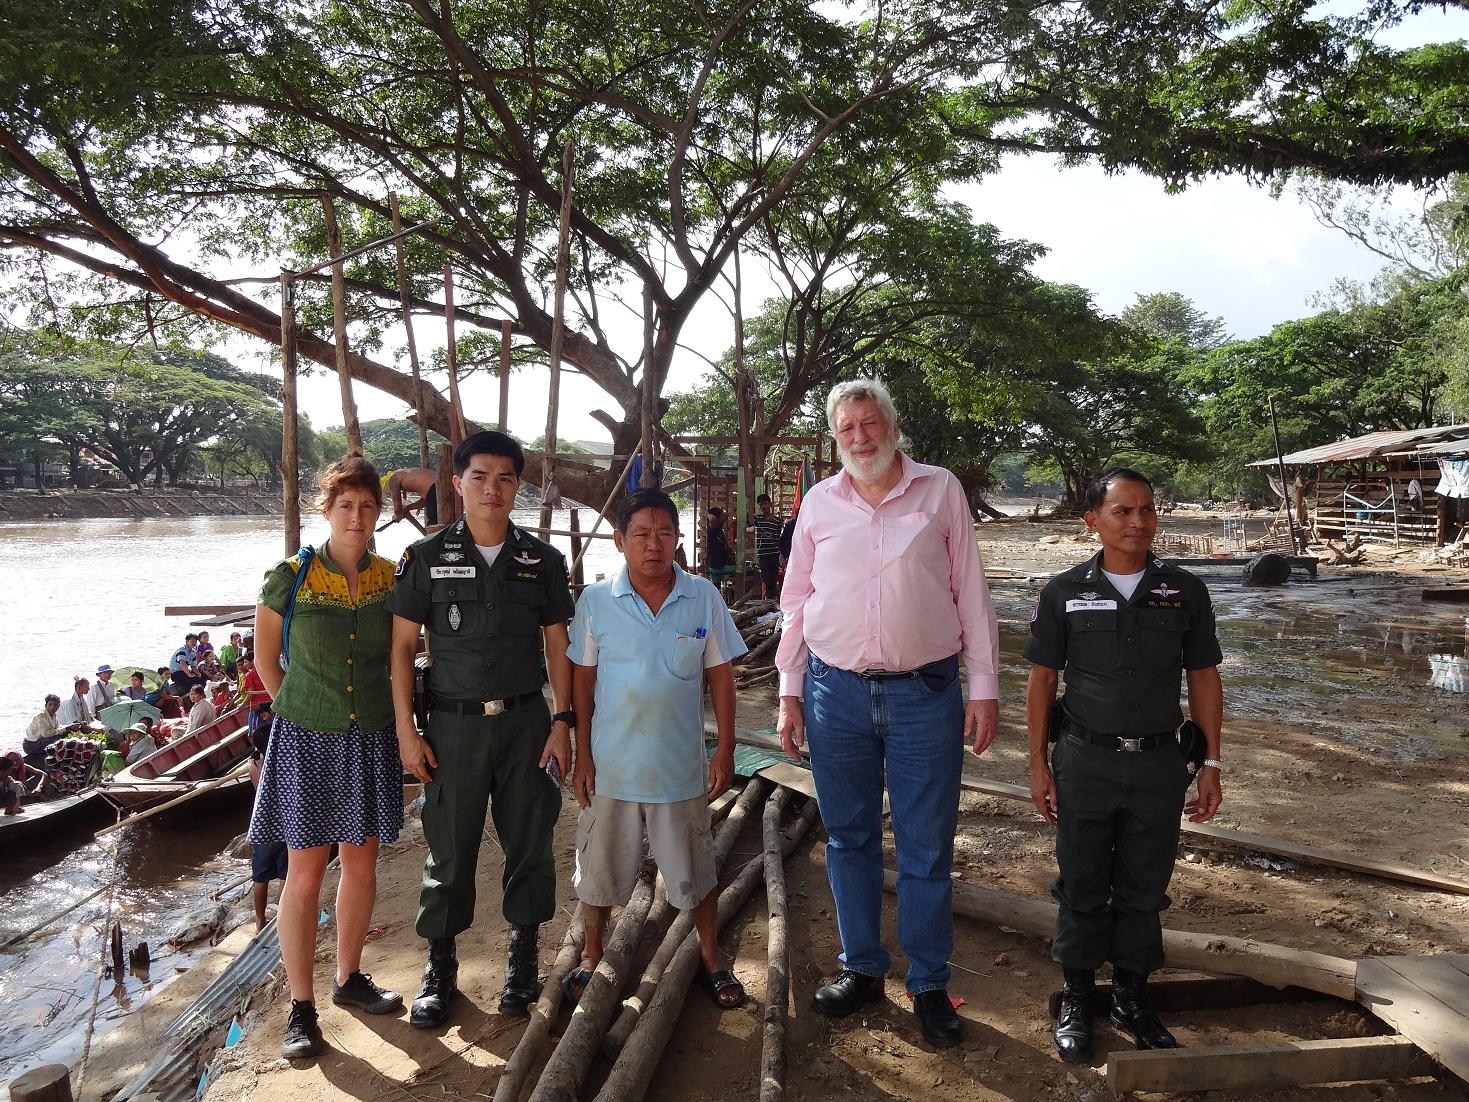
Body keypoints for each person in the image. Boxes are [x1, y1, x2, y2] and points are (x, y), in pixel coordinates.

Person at [774, 378, 1000, 1049]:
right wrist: (788, 690)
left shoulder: (940, 490)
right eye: (846, 428)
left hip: (924, 695)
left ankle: (928, 983)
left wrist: (984, 687)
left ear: (893, 427)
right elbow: (795, 600)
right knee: (848, 838)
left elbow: (970, 589)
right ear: (834, 438)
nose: (860, 438)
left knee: (926, 846)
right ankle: (863, 968)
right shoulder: (819, 503)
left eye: (870, 424)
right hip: (833, 693)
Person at [1024, 467, 1224, 1063]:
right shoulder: (1064, 591)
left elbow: (1203, 678)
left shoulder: (1184, 590)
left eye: (1147, 510)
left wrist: (1211, 763)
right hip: (1085, 761)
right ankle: (1079, 997)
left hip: (1160, 764)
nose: (1139, 522)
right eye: (1123, 511)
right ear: (1093, 520)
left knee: (1145, 884)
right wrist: (1037, 764)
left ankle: (1132, 998)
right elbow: (1041, 680)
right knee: (1081, 880)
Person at [387, 430, 574, 1027]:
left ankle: (523, 963)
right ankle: (440, 969)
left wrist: (563, 722)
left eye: (505, 478)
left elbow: (557, 645)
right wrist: (406, 731)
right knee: (450, 847)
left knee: (530, 841)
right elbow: (401, 649)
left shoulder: (542, 561)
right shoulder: (425, 557)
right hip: (453, 727)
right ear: (458, 483)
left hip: (525, 724)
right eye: (480, 477)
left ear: (518, 486)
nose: (493, 489)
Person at [565, 489, 748, 1008]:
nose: (654, 544)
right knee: (599, 866)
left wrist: (725, 749)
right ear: (620, 540)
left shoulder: (702, 597)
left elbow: (721, 676)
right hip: (612, 766)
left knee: (696, 868)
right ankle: (592, 952)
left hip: (679, 766)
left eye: (665, 532)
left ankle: (710, 955)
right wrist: (583, 754)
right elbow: (583, 680)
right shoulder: (596, 601)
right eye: (641, 534)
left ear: (678, 539)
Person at [249, 455, 405, 1060]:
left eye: (367, 506)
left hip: (370, 736)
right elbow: (266, 660)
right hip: (307, 739)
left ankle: (348, 978)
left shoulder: (391, 578)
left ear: (379, 512)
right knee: (305, 874)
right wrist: (300, 708)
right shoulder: (290, 576)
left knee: (361, 865)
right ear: (327, 509)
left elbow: (399, 655)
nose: (356, 517)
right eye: (346, 506)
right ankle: (301, 1007)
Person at [248, 703, 288, 933]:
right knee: (285, 874)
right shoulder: (281, 763)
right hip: (282, 823)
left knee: (260, 877)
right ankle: (282, 916)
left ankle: (259, 920)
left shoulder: (253, 764)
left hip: (262, 824)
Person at [746, 493, 783, 599]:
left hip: (774, 555)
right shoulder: (757, 519)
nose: (763, 506)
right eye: (761, 505)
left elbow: (778, 536)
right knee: (766, 579)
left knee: (773, 578)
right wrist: (749, 502)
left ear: (770, 504)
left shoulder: (777, 521)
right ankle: (772, 596)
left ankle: (770, 598)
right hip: (763, 556)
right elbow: (749, 522)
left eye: (765, 503)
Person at [24, 695, 71, 764]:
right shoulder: (41, 716)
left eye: (55, 705)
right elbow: (45, 734)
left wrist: (69, 727)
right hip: (31, 745)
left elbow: (58, 727)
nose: (52, 707)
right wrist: (66, 729)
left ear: (58, 706)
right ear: (46, 705)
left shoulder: (54, 716)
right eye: (50, 704)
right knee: (58, 737)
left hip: (40, 741)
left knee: (63, 733)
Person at [704, 507, 736, 592]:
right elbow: (713, 518)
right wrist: (708, 514)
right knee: (741, 567)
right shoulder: (713, 530)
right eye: (721, 516)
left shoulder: (718, 529)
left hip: (716, 566)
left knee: (716, 589)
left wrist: (722, 514)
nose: (724, 518)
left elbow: (725, 515)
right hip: (718, 567)